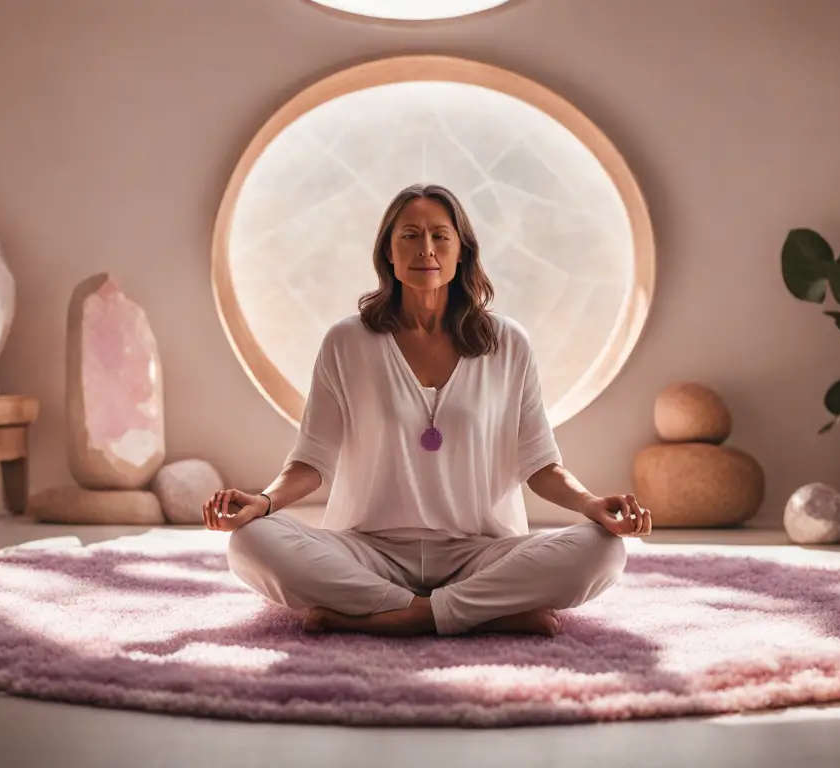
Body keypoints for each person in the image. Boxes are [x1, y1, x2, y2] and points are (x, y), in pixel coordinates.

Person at [203, 183, 650, 638]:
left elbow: (540, 466)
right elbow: (311, 463)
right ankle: (479, 614)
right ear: (389, 255)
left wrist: (592, 504)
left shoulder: (508, 343)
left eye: (440, 236)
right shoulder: (347, 341)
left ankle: (399, 617)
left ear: (461, 253)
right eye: (410, 236)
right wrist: (263, 502)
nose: (426, 249)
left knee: (603, 551)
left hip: (480, 553)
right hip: (368, 552)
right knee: (251, 542)